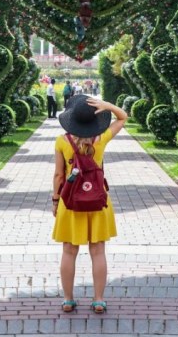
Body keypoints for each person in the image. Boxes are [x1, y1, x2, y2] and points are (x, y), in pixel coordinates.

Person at [51, 94, 128, 315]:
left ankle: (68, 299)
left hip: (70, 202)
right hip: (98, 201)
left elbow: (59, 175)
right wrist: (107, 105)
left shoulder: (62, 141)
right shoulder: (101, 138)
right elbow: (123, 118)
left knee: (69, 251)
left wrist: (55, 200)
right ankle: (98, 300)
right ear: (94, 120)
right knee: (98, 251)